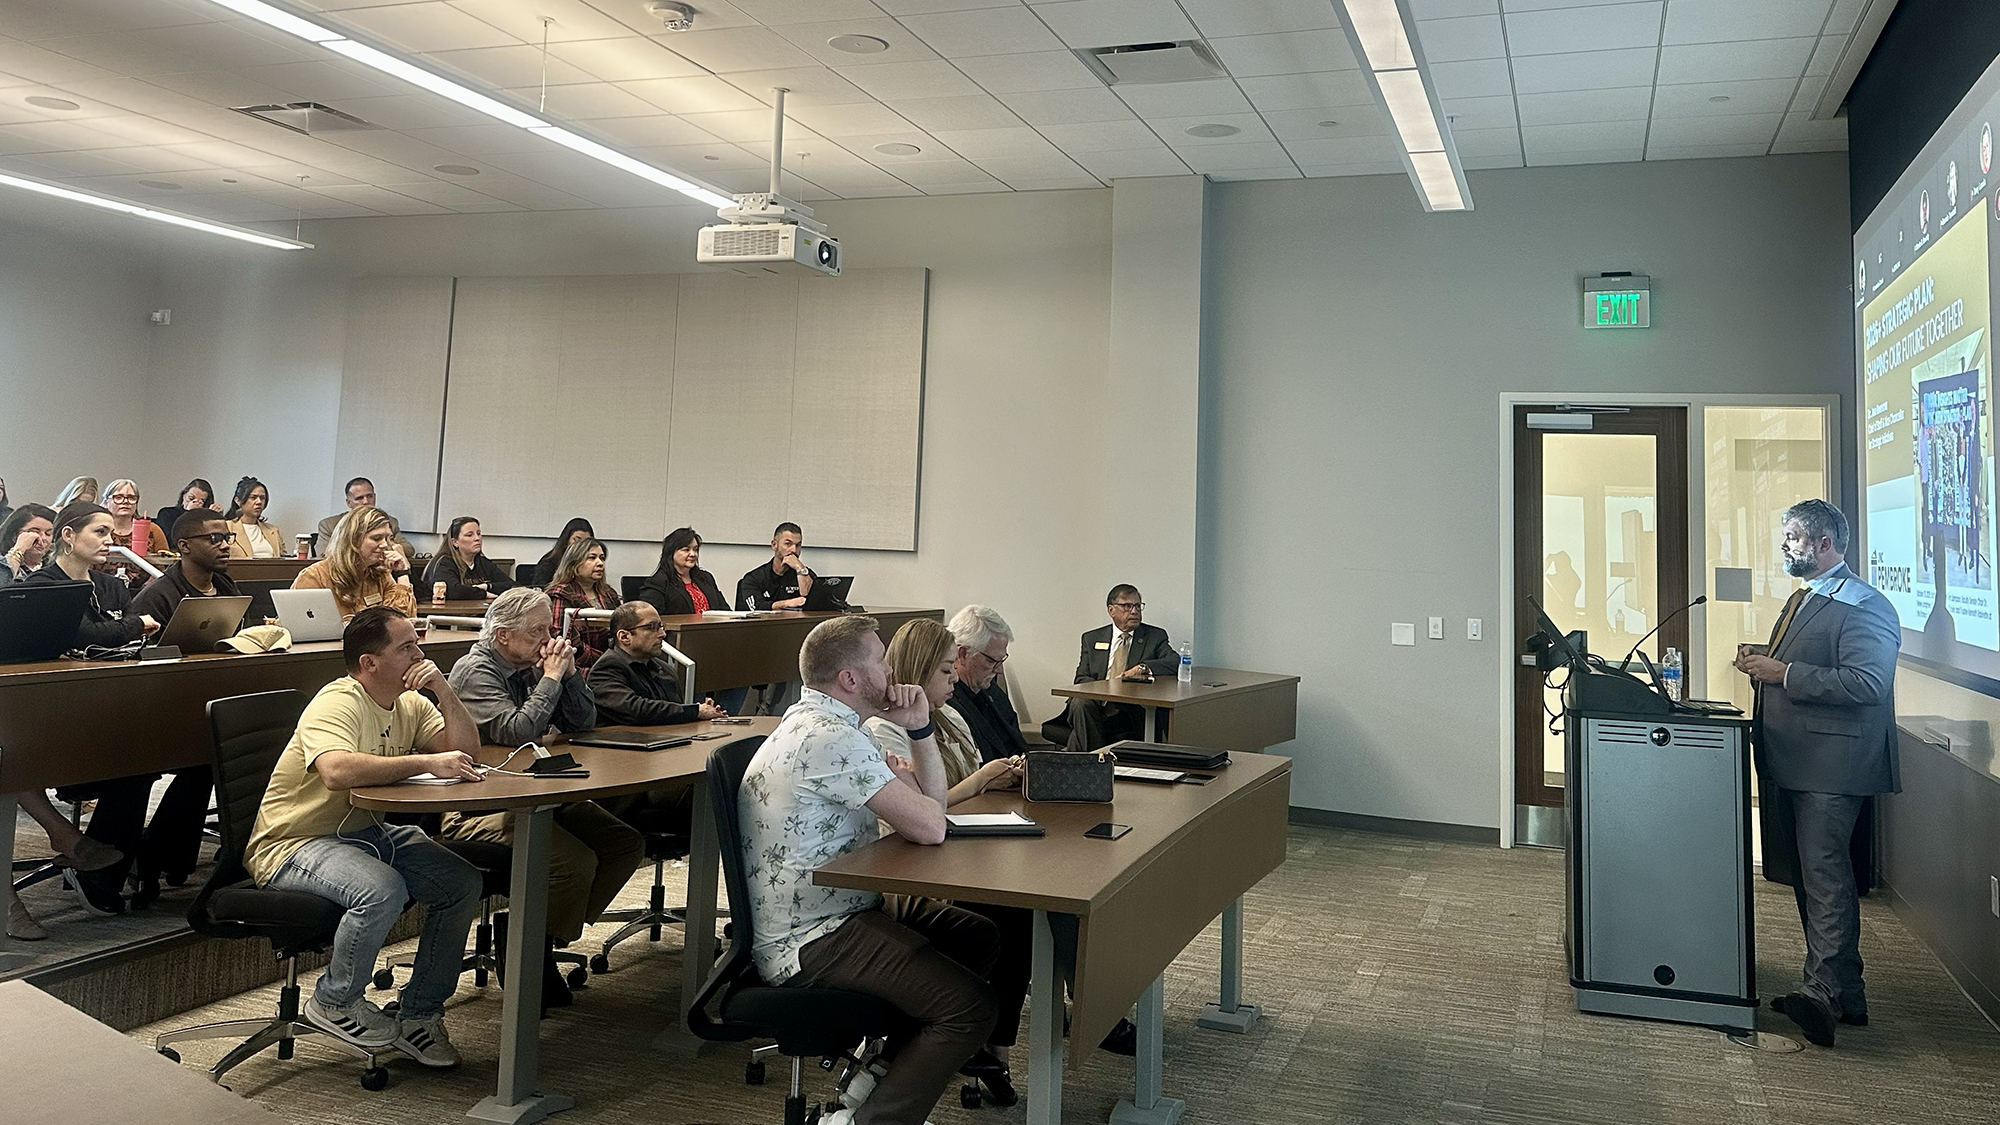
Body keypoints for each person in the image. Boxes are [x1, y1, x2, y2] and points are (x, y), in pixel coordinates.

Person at [740, 615, 998, 1125]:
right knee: (970, 1007)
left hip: (840, 905)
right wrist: (922, 727)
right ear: (851, 680)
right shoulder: (831, 739)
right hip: (811, 936)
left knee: (976, 936)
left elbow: (931, 807)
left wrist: (919, 733)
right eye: (881, 661)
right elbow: (931, 826)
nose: (892, 671)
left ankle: (874, 1078)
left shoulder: (827, 725)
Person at [243, 607, 484, 1066]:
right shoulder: (339, 701)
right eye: (407, 647)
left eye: (417, 643)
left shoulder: (410, 701)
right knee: (381, 889)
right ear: (370, 662)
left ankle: (419, 1015)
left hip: (365, 831)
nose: (420, 653)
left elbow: (466, 752)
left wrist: (444, 689)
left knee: (461, 882)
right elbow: (335, 771)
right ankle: (335, 999)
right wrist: (424, 763)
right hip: (292, 843)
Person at [1736, 499, 1901, 1049]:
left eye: (1792, 537)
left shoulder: (1865, 606)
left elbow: (1866, 684)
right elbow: (1806, 669)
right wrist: (1765, 659)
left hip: (1832, 767)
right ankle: (1844, 992)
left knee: (1827, 879)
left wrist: (1784, 672)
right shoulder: (1803, 598)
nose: (1784, 545)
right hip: (1795, 760)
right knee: (1811, 878)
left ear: (1824, 542)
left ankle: (1822, 995)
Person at [443, 587, 642, 1009]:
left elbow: (584, 722)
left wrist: (568, 676)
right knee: (574, 862)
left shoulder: (533, 665)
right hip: (479, 804)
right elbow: (519, 731)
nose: (548, 640)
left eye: (548, 629)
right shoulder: (474, 671)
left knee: (623, 843)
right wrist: (551, 678)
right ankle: (529, 944)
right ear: (502, 636)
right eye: (537, 631)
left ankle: (535, 934)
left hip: (536, 791)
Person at [862, 618, 1026, 1102]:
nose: (954, 680)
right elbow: (915, 818)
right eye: (944, 672)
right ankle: (988, 1047)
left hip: (960, 849)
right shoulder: (882, 731)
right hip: (911, 867)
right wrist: (980, 781)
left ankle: (995, 1045)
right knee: (1007, 916)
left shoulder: (951, 717)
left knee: (1024, 910)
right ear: (916, 672)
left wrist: (998, 778)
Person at [23, 503, 163, 916]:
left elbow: (118, 635)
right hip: (58, 713)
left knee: (145, 760)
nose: (110, 540)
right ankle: (99, 871)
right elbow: (85, 634)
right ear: (68, 535)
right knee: (131, 765)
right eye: (99, 532)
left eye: (109, 533)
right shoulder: (47, 584)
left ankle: (116, 866)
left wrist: (124, 631)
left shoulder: (111, 586)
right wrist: (133, 627)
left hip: (112, 703)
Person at [125, 510, 246, 901]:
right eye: (214, 539)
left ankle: (168, 854)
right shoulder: (158, 594)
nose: (225, 544)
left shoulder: (227, 585)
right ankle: (160, 855)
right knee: (208, 756)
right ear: (184, 547)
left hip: (212, 701)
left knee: (227, 751)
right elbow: (139, 658)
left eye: (226, 536)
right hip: (159, 707)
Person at [1057, 585, 1179, 751]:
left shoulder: (1154, 636)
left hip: (1128, 710)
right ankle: (1098, 763)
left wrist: (1143, 667)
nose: (1134, 611)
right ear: (1111, 610)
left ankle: (1090, 765)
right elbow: (1081, 678)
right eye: (1127, 606)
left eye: (1138, 606)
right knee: (1079, 702)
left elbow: (1174, 662)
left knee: (1079, 735)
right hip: (1095, 704)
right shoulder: (1092, 638)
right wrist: (1104, 689)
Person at [639, 527, 746, 716]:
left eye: (695, 549)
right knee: (700, 673)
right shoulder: (659, 581)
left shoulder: (705, 578)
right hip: (681, 648)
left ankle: (723, 716)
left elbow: (724, 609)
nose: (692, 554)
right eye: (686, 549)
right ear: (671, 551)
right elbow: (651, 619)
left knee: (743, 670)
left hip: (714, 644)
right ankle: (699, 714)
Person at [588, 601, 727, 727]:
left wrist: (703, 714)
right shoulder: (606, 668)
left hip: (663, 744)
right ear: (624, 636)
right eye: (652, 627)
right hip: (622, 749)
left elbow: (673, 712)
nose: (662, 634)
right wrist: (695, 711)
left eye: (661, 626)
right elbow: (635, 711)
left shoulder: (664, 669)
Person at [293, 506, 416, 619]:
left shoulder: (380, 573)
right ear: (353, 539)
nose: (385, 545)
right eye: (377, 538)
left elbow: (403, 621)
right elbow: (298, 623)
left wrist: (402, 573)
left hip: (373, 642)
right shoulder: (315, 576)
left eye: (387, 538)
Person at [946, 605, 1032, 763]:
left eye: (1001, 660)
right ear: (963, 654)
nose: (999, 670)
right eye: (992, 661)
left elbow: (1017, 743)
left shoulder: (991, 689)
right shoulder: (945, 700)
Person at [544, 536, 619, 668]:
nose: (600, 563)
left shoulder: (609, 593)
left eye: (602, 558)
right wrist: (606, 661)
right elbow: (562, 638)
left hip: (612, 662)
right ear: (574, 564)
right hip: (578, 667)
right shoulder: (560, 594)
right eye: (592, 558)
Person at [315, 478, 415, 560]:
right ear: (349, 502)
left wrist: (378, 546)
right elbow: (324, 555)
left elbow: (408, 549)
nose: (366, 502)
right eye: (359, 498)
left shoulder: (389, 522)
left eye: (369, 496)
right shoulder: (329, 525)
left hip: (380, 572)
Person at [421, 516, 515, 602]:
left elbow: (514, 586)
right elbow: (454, 591)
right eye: (469, 535)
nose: (477, 538)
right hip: (448, 616)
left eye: (478, 533)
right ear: (455, 542)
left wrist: (487, 586)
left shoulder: (482, 562)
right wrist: (483, 594)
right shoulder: (444, 563)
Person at [737, 522, 815, 610]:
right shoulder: (754, 578)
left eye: (798, 545)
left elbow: (814, 603)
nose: (794, 550)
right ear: (774, 545)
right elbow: (755, 607)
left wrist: (800, 568)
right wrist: (786, 603)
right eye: (788, 544)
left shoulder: (806, 574)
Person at [102, 479, 168, 584]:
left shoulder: (153, 530)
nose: (125, 501)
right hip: (102, 587)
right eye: (118, 497)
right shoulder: (97, 530)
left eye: (131, 498)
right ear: (106, 502)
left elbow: (163, 564)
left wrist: (148, 587)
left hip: (145, 590)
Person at [224, 476, 286, 559]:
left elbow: (284, 560)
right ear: (238, 500)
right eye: (253, 497)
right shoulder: (227, 527)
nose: (259, 502)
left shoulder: (273, 530)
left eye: (262, 498)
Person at [0, 502, 55, 584]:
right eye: (34, 531)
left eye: (48, 533)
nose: (43, 538)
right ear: (14, 535)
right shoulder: (2, 563)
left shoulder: (52, 567)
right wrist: (18, 550)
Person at [531, 518, 595, 588]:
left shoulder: (592, 563)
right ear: (567, 539)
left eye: (586, 542)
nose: (581, 545)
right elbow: (539, 591)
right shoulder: (548, 561)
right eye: (577, 540)